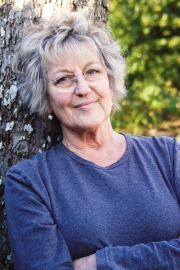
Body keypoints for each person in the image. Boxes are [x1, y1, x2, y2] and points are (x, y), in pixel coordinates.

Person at [5, 8, 180, 270]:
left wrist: (101, 262)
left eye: (92, 72)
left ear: (110, 81)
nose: (83, 89)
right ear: (46, 99)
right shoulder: (30, 181)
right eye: (63, 79)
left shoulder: (169, 155)